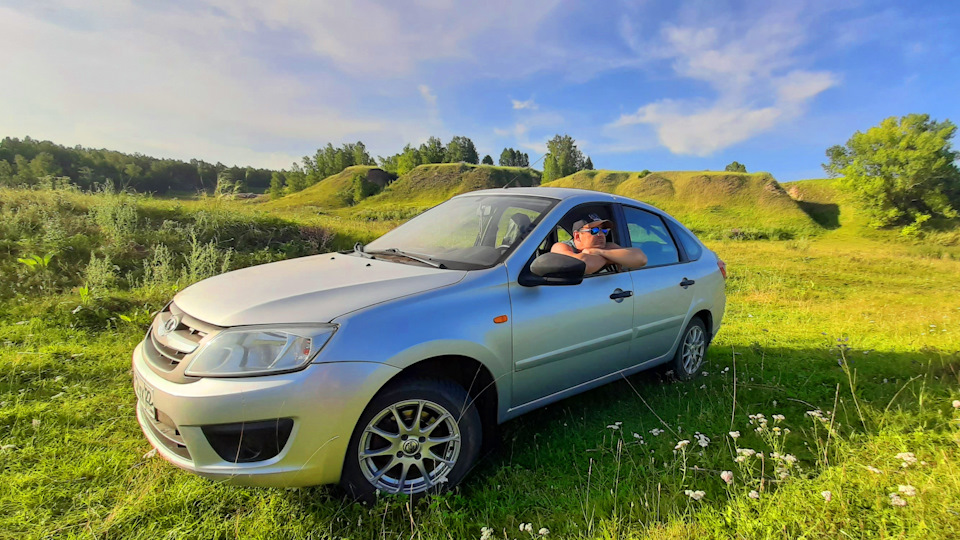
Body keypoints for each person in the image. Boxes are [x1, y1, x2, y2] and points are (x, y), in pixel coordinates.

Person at [551, 214, 647, 274]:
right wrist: (612, 259)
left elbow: (641, 258)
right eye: (594, 231)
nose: (601, 235)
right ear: (577, 236)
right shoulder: (561, 247)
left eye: (604, 231)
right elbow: (581, 265)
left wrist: (599, 252)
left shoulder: (605, 248)